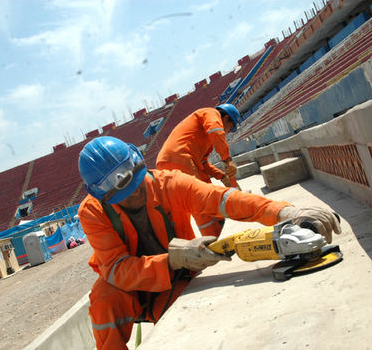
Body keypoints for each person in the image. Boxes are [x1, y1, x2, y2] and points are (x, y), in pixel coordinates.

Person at [77, 136, 341, 350]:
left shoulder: (169, 183)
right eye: (122, 192)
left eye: (135, 179)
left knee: (189, 323)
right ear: (100, 194)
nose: (135, 191)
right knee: (103, 297)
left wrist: (285, 213)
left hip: (176, 280)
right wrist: (171, 259)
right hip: (130, 290)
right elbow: (115, 269)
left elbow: (223, 200)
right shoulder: (92, 212)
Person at [156, 103, 243, 237]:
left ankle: (190, 245)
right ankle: (210, 241)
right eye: (230, 128)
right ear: (225, 118)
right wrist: (227, 160)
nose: (228, 132)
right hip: (180, 158)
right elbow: (216, 131)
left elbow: (203, 164)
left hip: (169, 161)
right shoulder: (210, 113)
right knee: (200, 199)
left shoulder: (204, 139)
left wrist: (222, 176)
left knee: (183, 207)